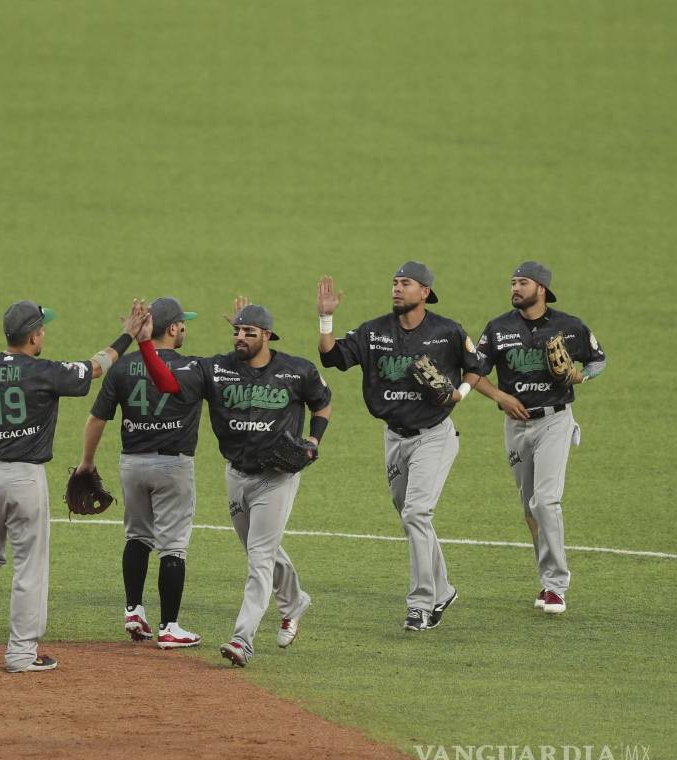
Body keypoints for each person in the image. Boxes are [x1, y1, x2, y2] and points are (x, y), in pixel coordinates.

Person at [0, 299, 148, 672]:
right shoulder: (45, 372)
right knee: (29, 566)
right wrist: (127, 336)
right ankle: (22, 653)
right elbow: (96, 367)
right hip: (24, 479)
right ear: (35, 335)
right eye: (43, 329)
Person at [140, 299, 331, 667]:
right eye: (237, 331)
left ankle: (241, 639)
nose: (240, 337)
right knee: (260, 549)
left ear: (268, 337)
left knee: (259, 558)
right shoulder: (215, 369)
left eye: (249, 332)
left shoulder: (296, 371)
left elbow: (322, 403)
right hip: (237, 475)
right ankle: (294, 602)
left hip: (277, 478)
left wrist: (313, 440)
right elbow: (166, 384)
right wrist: (146, 345)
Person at [318, 263, 482, 632]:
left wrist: (460, 392)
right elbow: (332, 357)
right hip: (394, 437)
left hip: (434, 435)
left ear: (424, 291)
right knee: (412, 517)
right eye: (394, 283)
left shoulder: (447, 332)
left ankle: (421, 605)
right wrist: (325, 319)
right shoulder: (374, 331)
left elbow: (476, 366)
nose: (396, 289)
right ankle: (443, 590)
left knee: (416, 514)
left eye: (405, 284)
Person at [473, 262, 606, 614]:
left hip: (555, 421)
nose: (515, 288)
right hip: (516, 427)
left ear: (541, 289)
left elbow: (598, 360)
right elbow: (474, 372)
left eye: (523, 283)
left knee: (546, 501)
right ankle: (546, 579)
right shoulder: (498, 328)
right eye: (513, 282)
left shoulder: (570, 326)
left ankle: (556, 586)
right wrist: (500, 397)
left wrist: (582, 377)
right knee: (530, 509)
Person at [79, 297, 204, 649]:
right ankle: (169, 627)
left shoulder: (122, 368)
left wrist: (87, 462)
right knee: (173, 547)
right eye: (184, 323)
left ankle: (133, 610)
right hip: (173, 465)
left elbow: (96, 420)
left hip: (131, 464)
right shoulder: (192, 367)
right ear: (175, 328)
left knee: (137, 537)